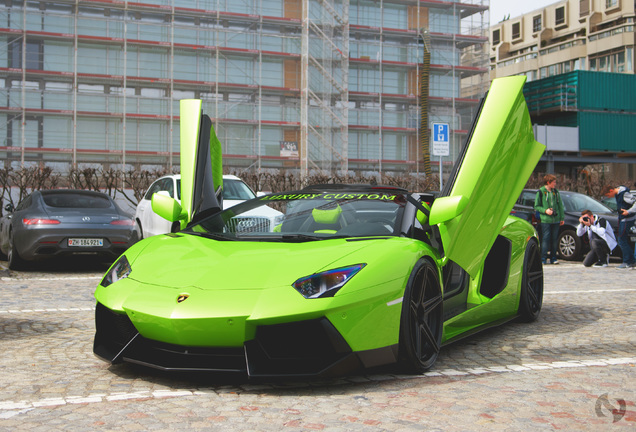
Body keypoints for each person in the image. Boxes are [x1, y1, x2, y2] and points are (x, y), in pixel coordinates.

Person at [602, 185, 636, 269]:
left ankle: (628, 261)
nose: (608, 197)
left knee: (621, 240)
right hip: (623, 219)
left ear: (611, 190)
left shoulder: (624, 194)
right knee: (622, 239)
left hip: (627, 219)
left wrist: (628, 211)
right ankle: (630, 260)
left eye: (608, 195)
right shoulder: (618, 194)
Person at [534, 174, 565, 264]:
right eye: (554, 182)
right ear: (548, 182)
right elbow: (536, 206)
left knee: (554, 239)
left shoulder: (556, 192)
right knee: (546, 239)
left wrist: (561, 217)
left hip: (555, 219)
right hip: (545, 220)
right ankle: (543, 258)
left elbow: (560, 205)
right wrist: (545, 210)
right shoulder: (541, 192)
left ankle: (553, 258)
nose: (555, 184)